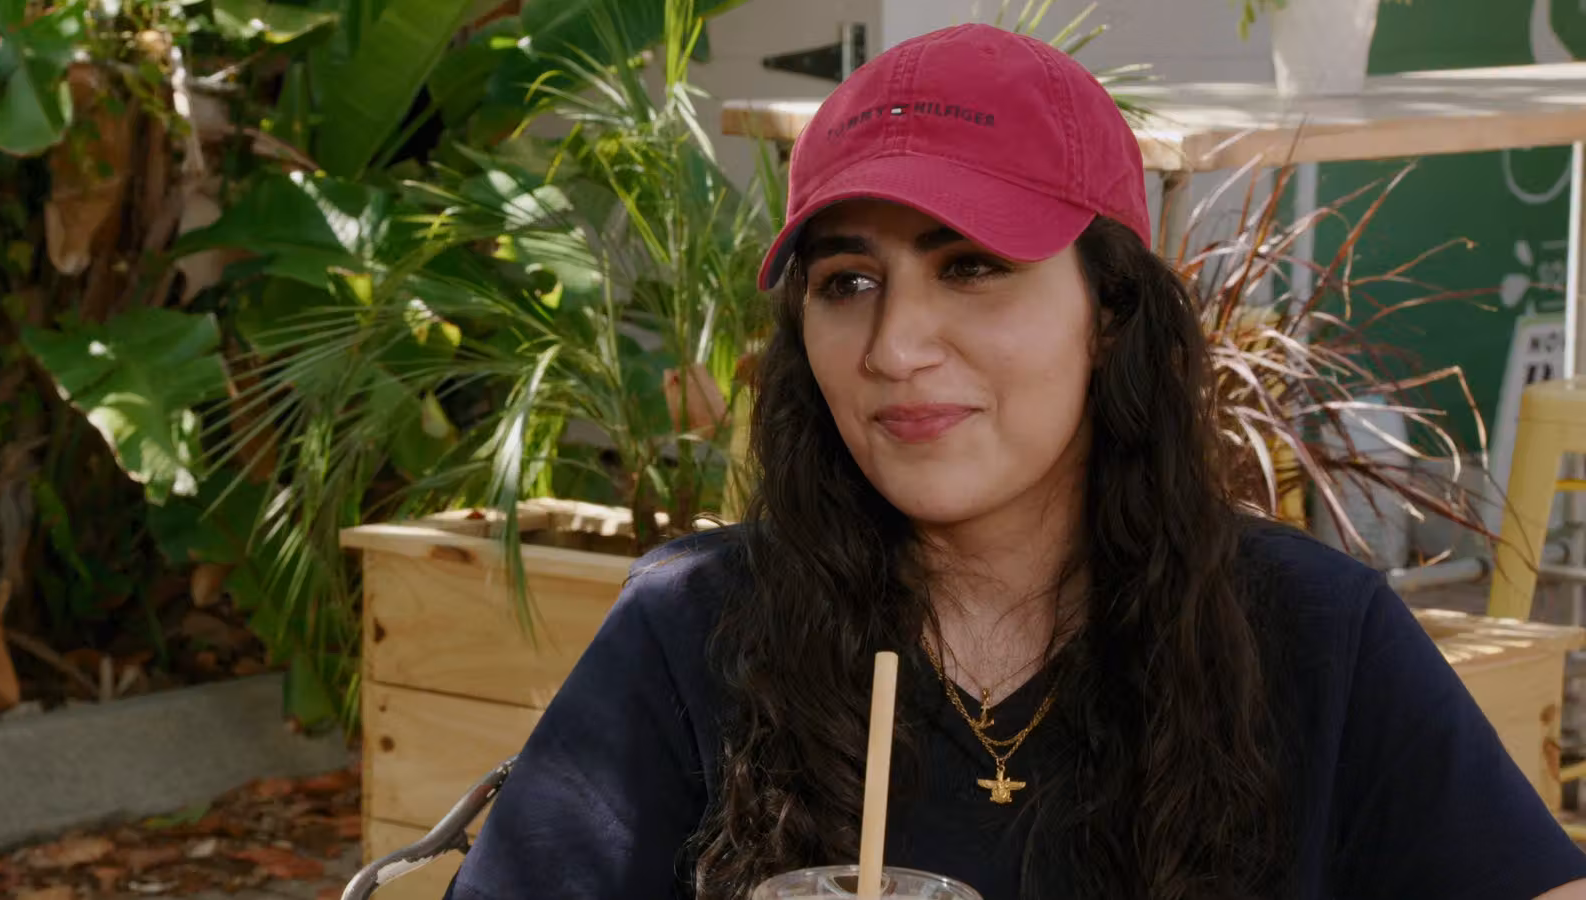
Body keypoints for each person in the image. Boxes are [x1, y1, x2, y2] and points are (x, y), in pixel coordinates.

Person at [441, 23, 1586, 900]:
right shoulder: (696, 631)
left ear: (1112, 314)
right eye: (848, 283)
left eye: (972, 267)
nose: (894, 347)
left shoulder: (1312, 636)